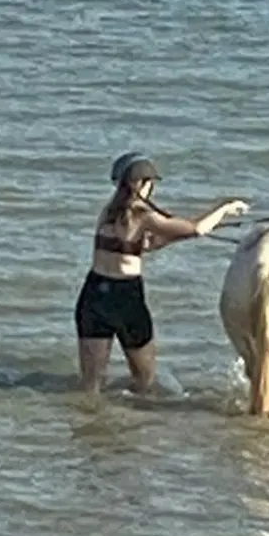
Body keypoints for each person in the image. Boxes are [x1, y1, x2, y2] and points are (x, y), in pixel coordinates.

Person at [74, 151, 249, 396]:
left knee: (91, 382)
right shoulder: (143, 215)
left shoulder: (108, 213)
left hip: (94, 294)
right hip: (126, 298)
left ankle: (88, 423)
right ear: (144, 184)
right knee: (145, 378)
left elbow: (142, 246)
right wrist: (224, 209)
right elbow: (196, 229)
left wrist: (173, 236)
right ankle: (134, 420)